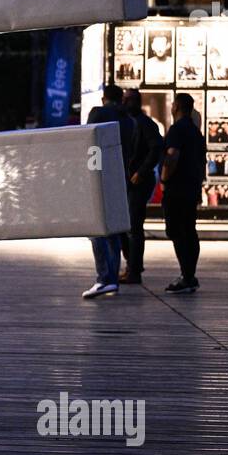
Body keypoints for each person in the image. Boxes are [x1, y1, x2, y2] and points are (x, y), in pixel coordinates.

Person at [83, 85, 134, 299]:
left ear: (104, 99)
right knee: (114, 229)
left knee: (96, 229)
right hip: (120, 177)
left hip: (100, 175)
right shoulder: (130, 120)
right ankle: (111, 277)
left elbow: (88, 142)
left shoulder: (98, 113)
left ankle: (104, 278)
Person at [160, 92, 206, 294]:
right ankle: (190, 274)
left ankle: (186, 276)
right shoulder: (196, 132)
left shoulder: (177, 130)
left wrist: (164, 178)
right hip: (192, 187)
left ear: (176, 107)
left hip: (177, 188)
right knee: (189, 230)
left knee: (176, 231)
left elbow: (172, 156)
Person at [120, 88, 163, 285]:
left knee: (133, 227)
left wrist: (141, 172)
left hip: (139, 180)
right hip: (130, 179)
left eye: (129, 99)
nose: (126, 103)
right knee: (126, 226)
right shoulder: (129, 123)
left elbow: (156, 149)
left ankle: (134, 269)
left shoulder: (145, 124)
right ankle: (133, 265)